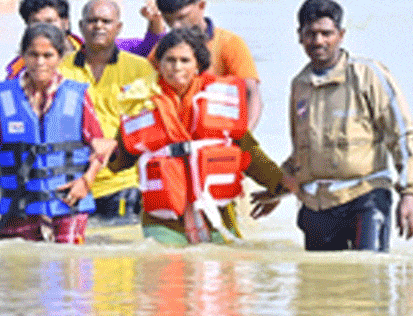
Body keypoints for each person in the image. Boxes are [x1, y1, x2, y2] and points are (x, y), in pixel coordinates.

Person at [112, 27, 288, 246]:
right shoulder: (140, 100)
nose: (177, 67)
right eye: (170, 60)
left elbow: (248, 151)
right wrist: (100, 157)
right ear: (159, 64)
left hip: (216, 209)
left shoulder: (220, 97)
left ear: (198, 64)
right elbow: (121, 157)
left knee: (226, 273)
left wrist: (280, 186)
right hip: (164, 217)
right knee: (164, 270)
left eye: (185, 60)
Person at [277, 0, 413, 251]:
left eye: (326, 33)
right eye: (311, 34)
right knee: (321, 287)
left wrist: (409, 193)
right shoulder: (300, 85)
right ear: (300, 36)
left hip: (365, 198)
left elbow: (401, 135)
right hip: (316, 205)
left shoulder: (368, 75)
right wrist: (276, 189)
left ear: (341, 35)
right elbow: (300, 152)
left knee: (367, 275)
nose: (318, 41)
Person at [0, 23, 114, 243]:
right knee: (19, 272)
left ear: (60, 57)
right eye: (33, 54)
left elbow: (103, 145)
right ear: (22, 55)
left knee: (68, 267)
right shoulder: (3, 97)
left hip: (68, 205)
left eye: (48, 55)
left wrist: (86, 181)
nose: (40, 62)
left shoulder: (76, 95)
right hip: (21, 205)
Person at [60, 0, 157, 226]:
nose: (99, 26)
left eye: (106, 21)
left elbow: (148, 128)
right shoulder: (61, 69)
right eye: (92, 21)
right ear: (81, 26)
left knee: (119, 253)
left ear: (119, 28)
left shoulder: (139, 69)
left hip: (121, 182)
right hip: (72, 181)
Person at [151, 0, 262, 129]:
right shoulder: (163, 49)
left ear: (201, 6)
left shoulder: (229, 43)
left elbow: (251, 94)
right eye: (168, 20)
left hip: (219, 134)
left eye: (182, 17)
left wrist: (244, 136)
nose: (175, 26)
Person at [6, 0, 166, 78]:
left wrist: (155, 20)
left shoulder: (97, 46)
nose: (44, 30)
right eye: (36, 23)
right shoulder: (21, 68)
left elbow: (150, 49)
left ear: (65, 22)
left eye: (50, 21)